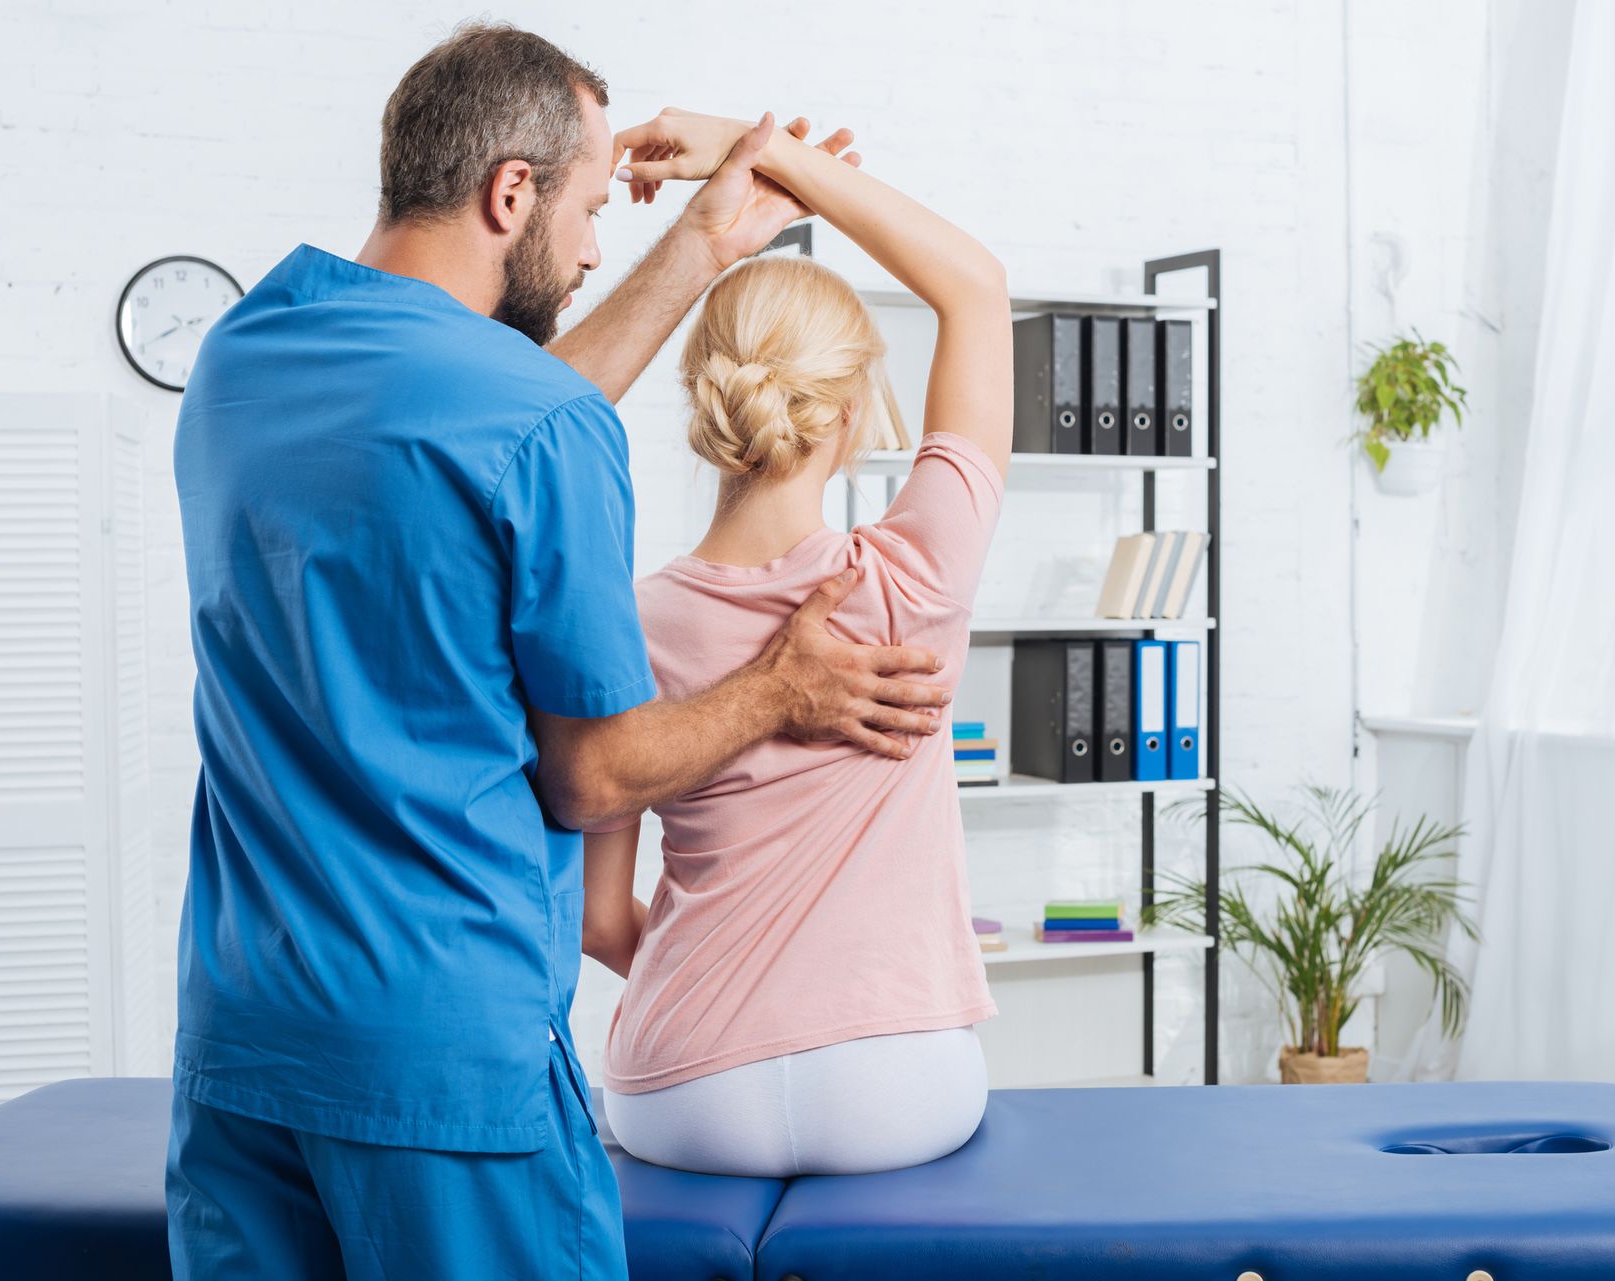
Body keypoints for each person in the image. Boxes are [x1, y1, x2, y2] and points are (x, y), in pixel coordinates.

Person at [165, 25, 952, 1280]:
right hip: (444, 1065)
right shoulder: (537, 429)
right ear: (510, 192)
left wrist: (698, 247)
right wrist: (782, 687)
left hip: (246, 1045)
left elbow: (482, 419)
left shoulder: (244, 357)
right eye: (589, 210)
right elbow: (593, 777)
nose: (595, 248)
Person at [572, 109, 1014, 1177]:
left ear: (703, 398)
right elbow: (975, 287)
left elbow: (597, 919)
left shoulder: (619, 616)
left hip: (679, 1088)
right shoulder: (915, 578)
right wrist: (761, 148)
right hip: (897, 1084)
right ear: (856, 412)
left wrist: (723, 1002)